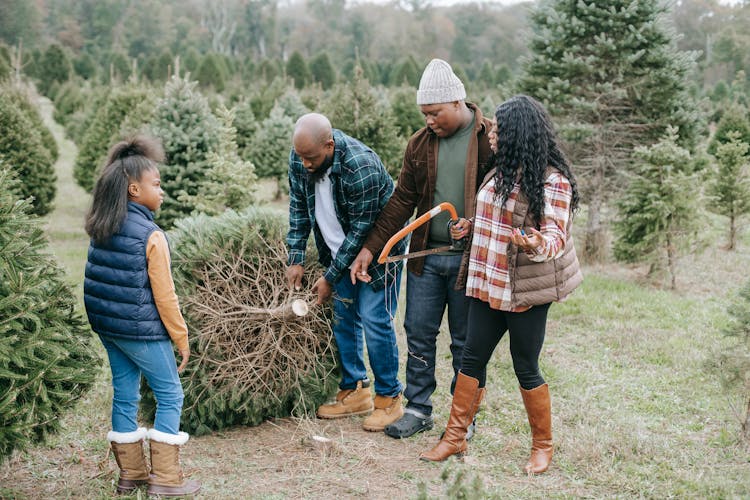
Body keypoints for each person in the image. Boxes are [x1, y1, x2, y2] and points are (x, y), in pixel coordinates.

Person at [419, 95, 583, 474]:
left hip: (524, 290)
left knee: (525, 366)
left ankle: (542, 446)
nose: (491, 134)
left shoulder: (553, 182)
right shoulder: (501, 171)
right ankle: (454, 438)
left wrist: (534, 241)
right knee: (470, 359)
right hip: (486, 283)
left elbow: (555, 238)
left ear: (518, 135)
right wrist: (470, 227)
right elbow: (492, 220)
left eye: (499, 130)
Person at [350, 59, 493, 439]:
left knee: (466, 342)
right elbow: (401, 201)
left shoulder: (489, 138)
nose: (429, 120)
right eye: (424, 114)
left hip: (470, 262)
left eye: (434, 113)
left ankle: (465, 416)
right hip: (426, 261)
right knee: (418, 332)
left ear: (457, 102)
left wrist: (475, 224)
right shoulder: (420, 144)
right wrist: (371, 247)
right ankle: (417, 408)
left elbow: (506, 198)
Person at [83, 136, 200, 497]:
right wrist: (181, 337)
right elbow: (166, 297)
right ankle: (165, 479)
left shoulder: (103, 223)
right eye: (156, 184)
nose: (161, 191)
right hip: (141, 331)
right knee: (170, 394)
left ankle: (130, 475)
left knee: (124, 393)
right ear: (135, 189)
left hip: (109, 326)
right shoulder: (151, 235)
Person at [286, 113, 407, 432]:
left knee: (374, 319)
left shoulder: (360, 165)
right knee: (343, 316)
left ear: (329, 144)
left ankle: (389, 398)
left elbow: (361, 230)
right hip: (338, 251)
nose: (305, 164)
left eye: (311, 158)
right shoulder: (301, 156)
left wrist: (328, 278)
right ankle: (355, 389)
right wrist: (295, 256)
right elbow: (298, 207)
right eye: (300, 157)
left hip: (378, 251)